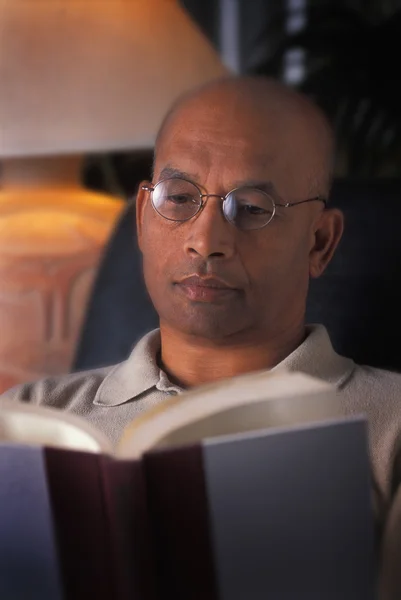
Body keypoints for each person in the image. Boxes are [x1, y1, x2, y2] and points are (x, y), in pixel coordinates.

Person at [2, 76, 401, 597]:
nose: (206, 241)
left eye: (254, 208)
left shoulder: (392, 430)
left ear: (320, 242)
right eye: (180, 197)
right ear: (144, 219)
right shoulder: (32, 422)